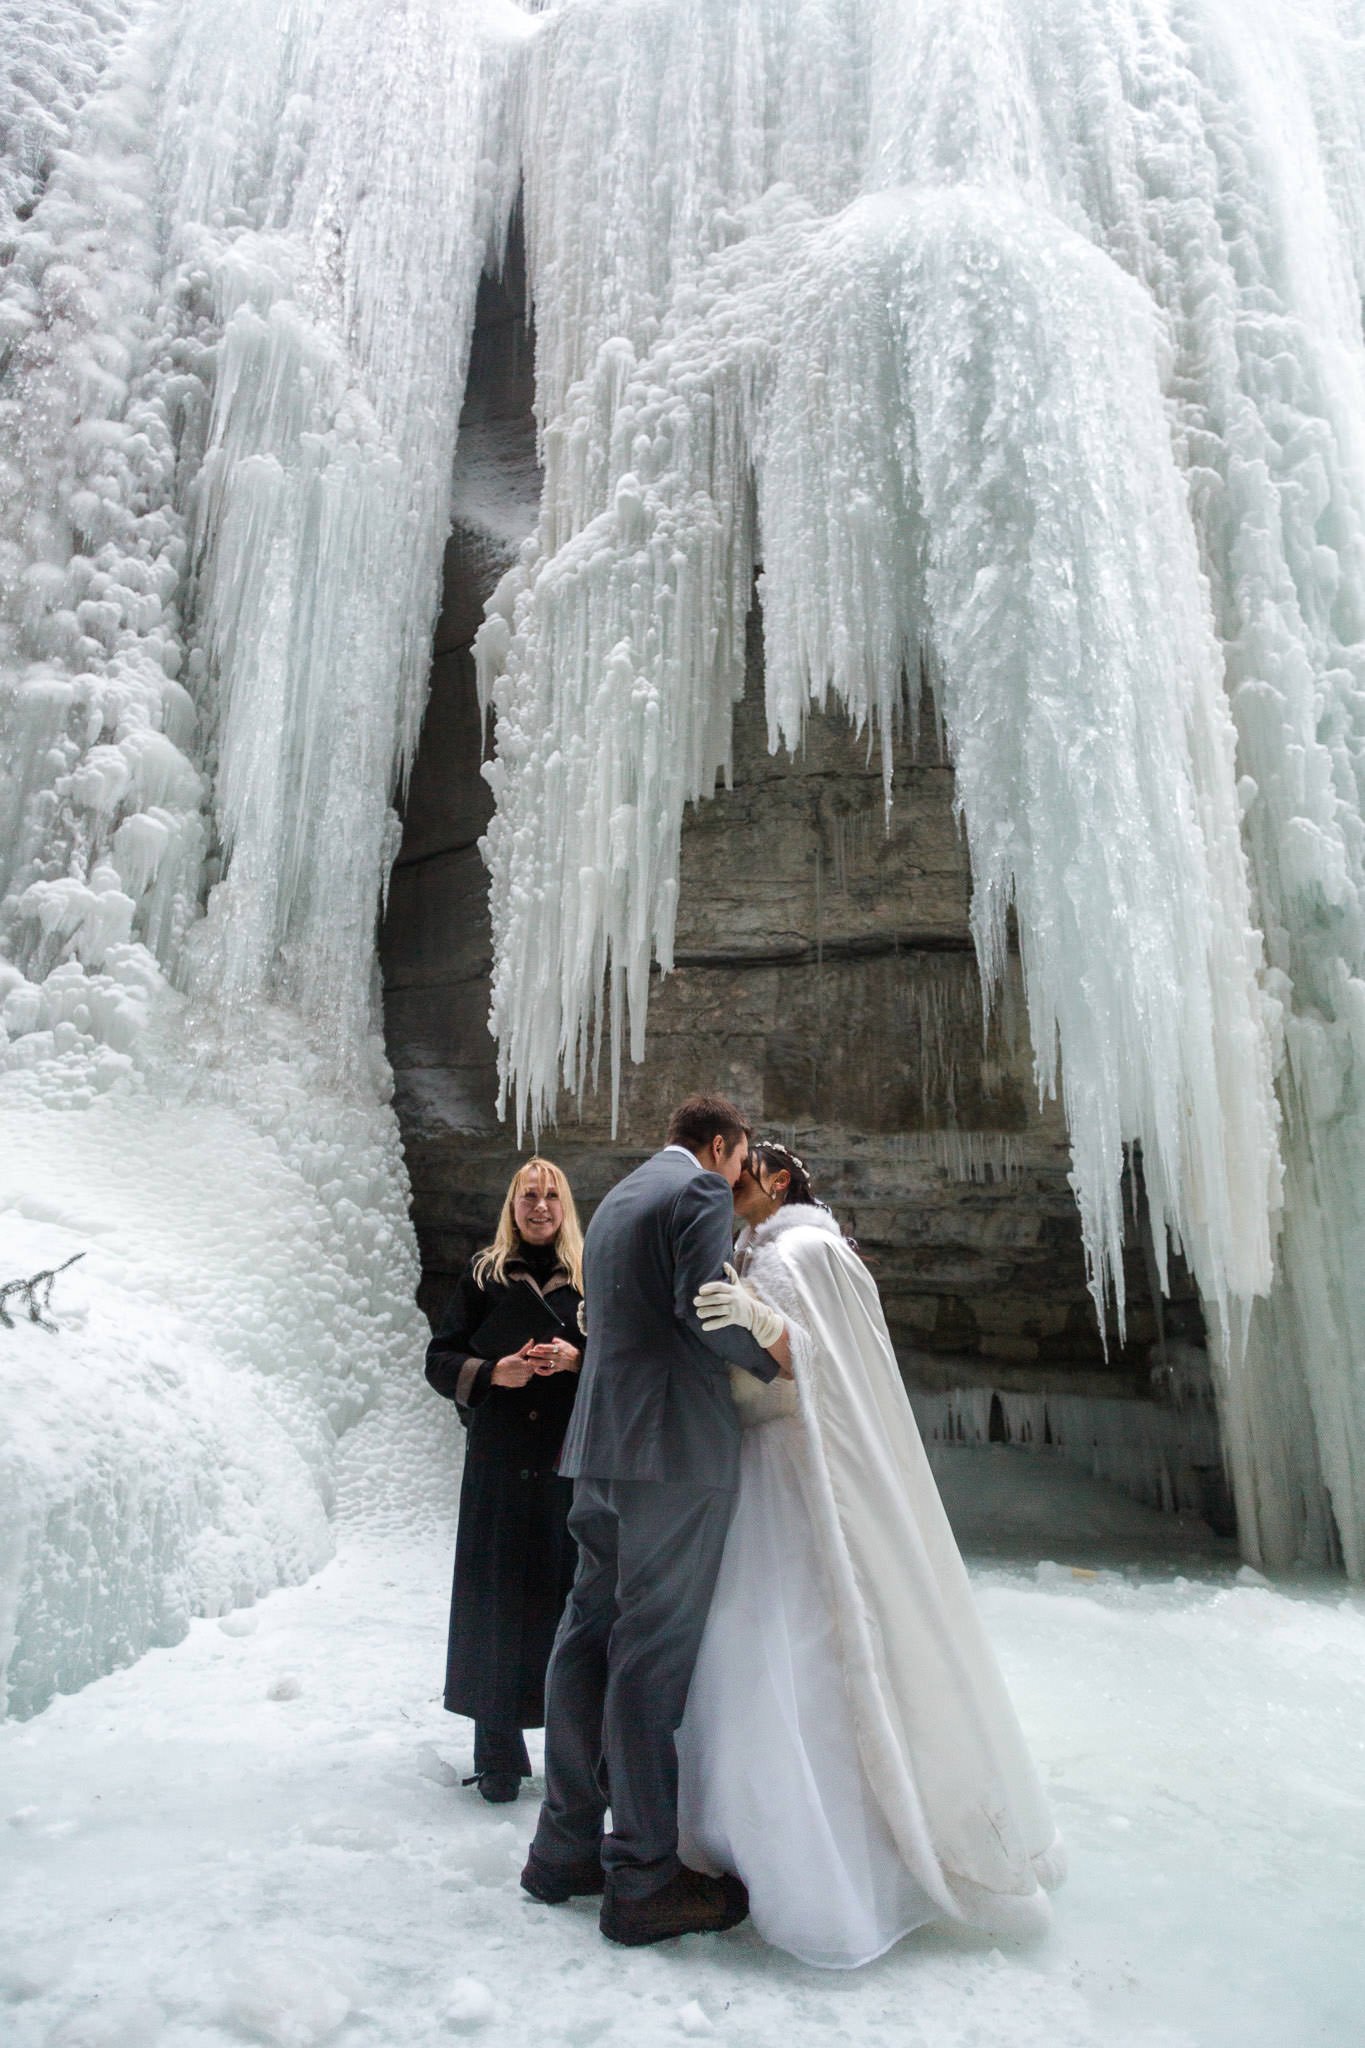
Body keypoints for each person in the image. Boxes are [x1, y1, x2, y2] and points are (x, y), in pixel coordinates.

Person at [676, 1139, 1065, 1967]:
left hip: (787, 1476)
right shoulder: (814, 1250)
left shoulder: (788, 1254)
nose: (725, 1187)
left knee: (783, 1651)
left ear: (775, 1182)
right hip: (803, 1469)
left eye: (739, 1175)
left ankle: (812, 1864)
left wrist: (710, 1358)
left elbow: (785, 1375)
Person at [520, 1094, 789, 1946]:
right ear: (719, 1145)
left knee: (586, 1634)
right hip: (671, 1454)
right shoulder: (700, 1192)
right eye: (741, 1157)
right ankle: (640, 1876)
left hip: (596, 1450)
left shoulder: (613, 1202)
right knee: (649, 1656)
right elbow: (705, 1307)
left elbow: (611, 1321)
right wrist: (775, 1355)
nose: (743, 1174)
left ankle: (562, 1849)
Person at [424, 1157, 585, 1803]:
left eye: (550, 1196)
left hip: (567, 1464)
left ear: (564, 1206)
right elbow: (439, 1358)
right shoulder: (483, 1275)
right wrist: (493, 1373)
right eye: (528, 1196)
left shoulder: (589, 1280)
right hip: (498, 1463)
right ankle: (498, 1757)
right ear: (511, 1206)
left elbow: (632, 1361)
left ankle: (574, 1754)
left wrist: (580, 1357)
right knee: (496, 1603)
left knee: (569, 1605)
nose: (539, 1206)